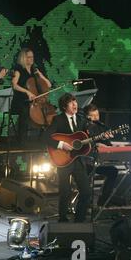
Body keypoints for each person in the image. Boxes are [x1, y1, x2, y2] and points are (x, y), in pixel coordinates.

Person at [44, 93, 91, 223]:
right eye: (71, 102)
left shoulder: (82, 119)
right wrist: (61, 144)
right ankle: (63, 219)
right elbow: (46, 137)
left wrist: (99, 137)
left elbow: (84, 139)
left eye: (75, 101)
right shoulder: (58, 120)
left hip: (78, 160)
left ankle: (79, 220)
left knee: (86, 192)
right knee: (65, 192)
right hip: (63, 159)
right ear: (64, 106)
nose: (75, 104)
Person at [11, 48, 52, 143]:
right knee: (25, 112)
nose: (31, 59)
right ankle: (22, 141)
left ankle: (42, 140)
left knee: (47, 114)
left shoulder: (35, 71)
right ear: (23, 58)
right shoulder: (19, 70)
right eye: (29, 57)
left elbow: (49, 85)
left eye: (32, 57)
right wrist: (27, 92)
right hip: (21, 100)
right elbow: (14, 85)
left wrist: (41, 75)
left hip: (36, 101)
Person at [84, 104, 118, 207]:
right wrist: (97, 144)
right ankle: (86, 204)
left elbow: (106, 144)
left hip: (97, 161)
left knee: (113, 171)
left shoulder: (101, 126)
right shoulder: (82, 126)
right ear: (87, 116)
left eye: (97, 115)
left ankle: (103, 203)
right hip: (84, 162)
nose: (96, 118)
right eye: (93, 115)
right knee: (87, 177)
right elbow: (82, 143)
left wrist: (112, 146)